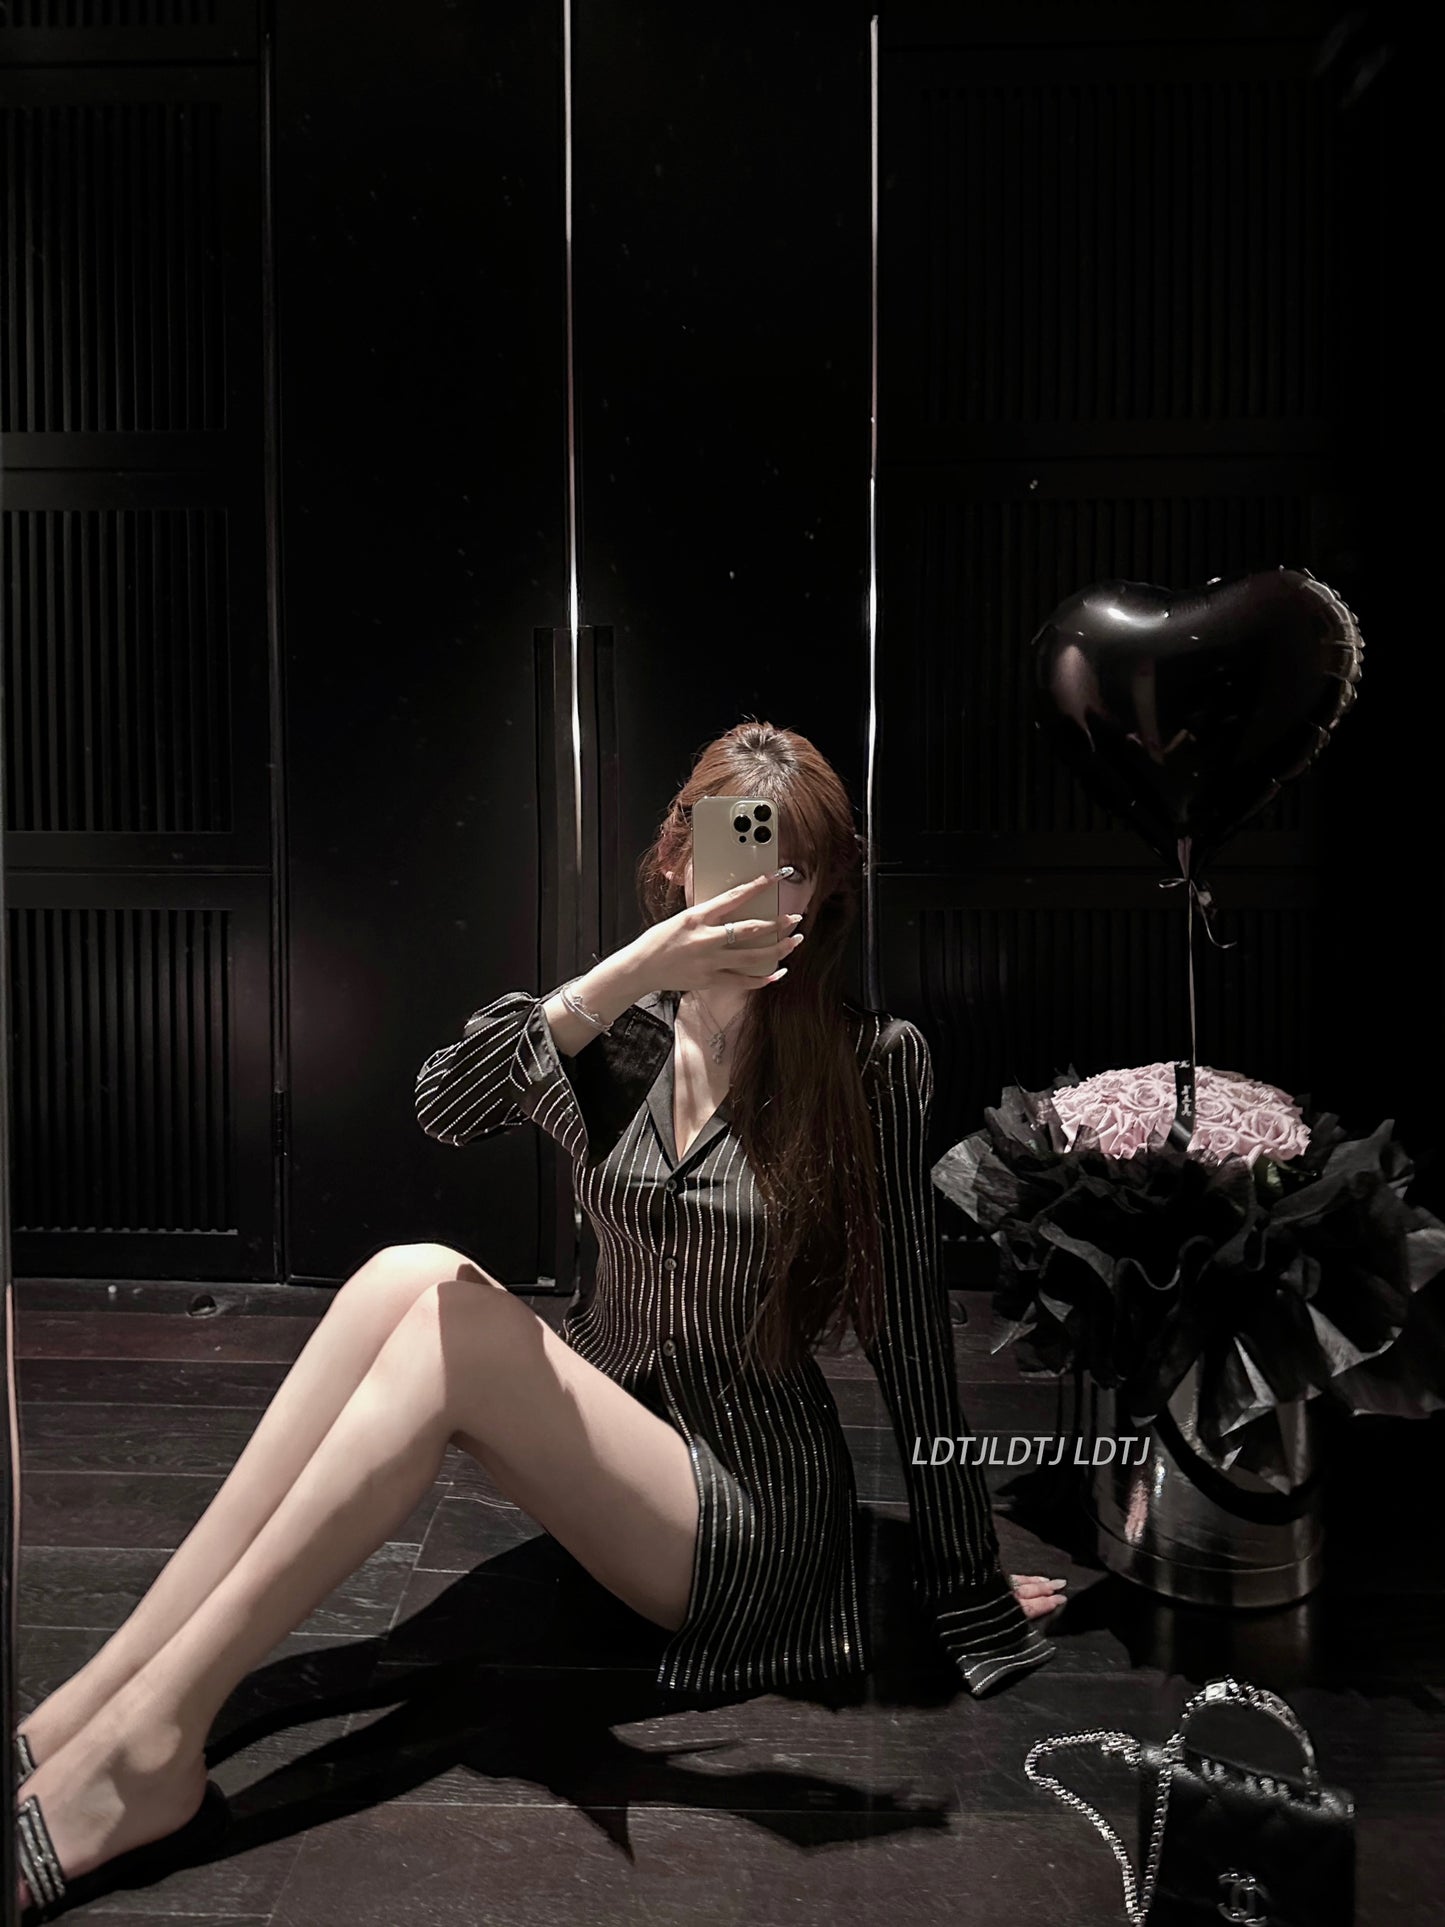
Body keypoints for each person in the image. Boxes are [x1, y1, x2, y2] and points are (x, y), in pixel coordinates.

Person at [12, 720, 1065, 1915]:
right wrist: (623, 974)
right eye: (733, 856)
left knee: (458, 1336)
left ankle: (150, 1749)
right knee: (407, 1270)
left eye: (793, 871)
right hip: (624, 1444)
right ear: (677, 858)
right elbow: (442, 1103)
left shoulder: (867, 1059)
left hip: (749, 1509)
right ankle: (101, 1697)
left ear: (823, 894)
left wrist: (962, 1578)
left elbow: (908, 1325)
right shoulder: (617, 1037)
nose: (758, 896)